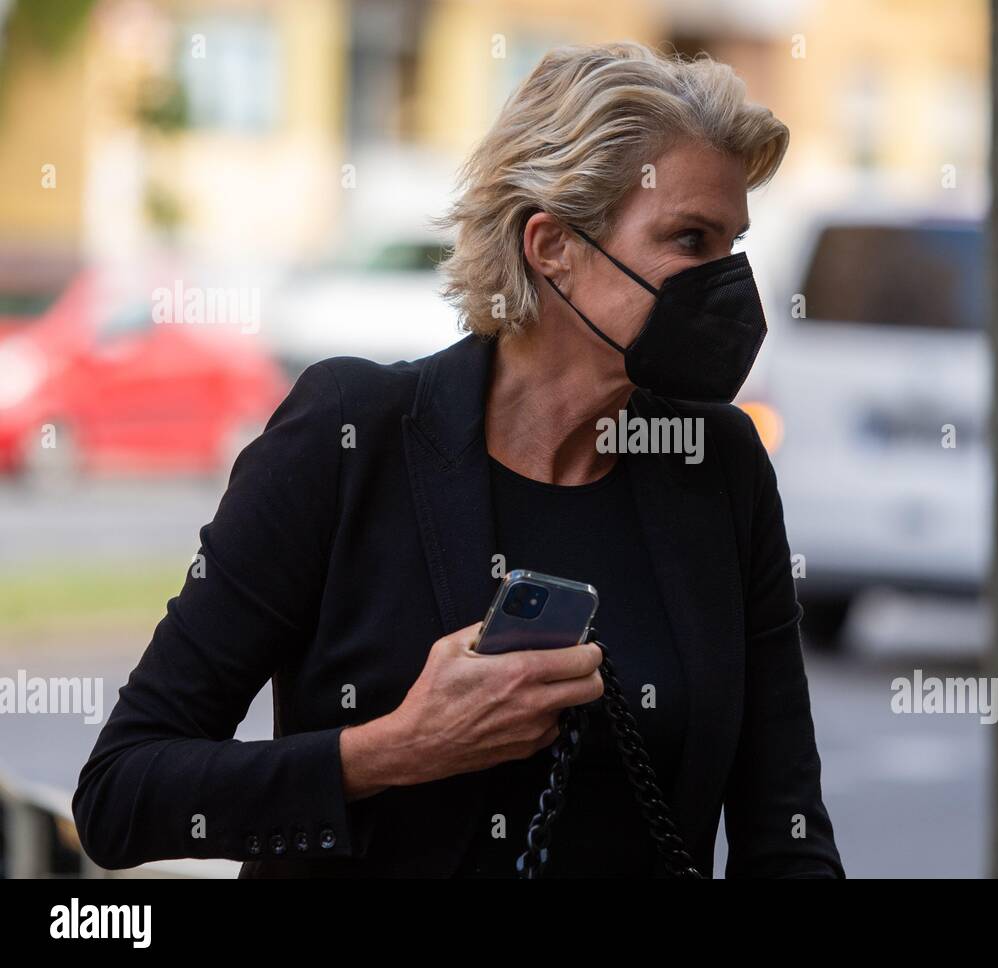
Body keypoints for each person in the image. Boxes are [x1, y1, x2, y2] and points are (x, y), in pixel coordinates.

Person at [73, 40, 844, 878]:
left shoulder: (716, 463)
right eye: (690, 239)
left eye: (733, 245)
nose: (728, 282)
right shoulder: (350, 436)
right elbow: (122, 795)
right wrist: (394, 749)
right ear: (553, 247)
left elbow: (787, 832)